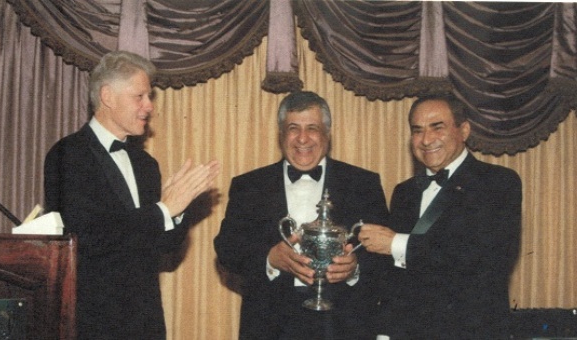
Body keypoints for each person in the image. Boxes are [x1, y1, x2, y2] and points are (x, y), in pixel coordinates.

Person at [44, 50, 219, 339]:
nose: (149, 106)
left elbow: (164, 246)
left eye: (149, 97)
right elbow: (86, 236)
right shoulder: (67, 155)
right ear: (107, 97)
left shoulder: (146, 165)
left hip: (145, 322)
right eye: (140, 97)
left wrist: (178, 209)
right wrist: (163, 210)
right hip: (92, 322)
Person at [214, 91, 389, 339]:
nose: (303, 138)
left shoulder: (363, 184)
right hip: (269, 323)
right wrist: (269, 260)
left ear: (327, 134)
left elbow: (385, 257)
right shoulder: (249, 185)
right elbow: (227, 250)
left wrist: (355, 269)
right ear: (281, 134)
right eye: (293, 128)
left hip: (343, 324)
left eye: (313, 128)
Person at [359, 95, 522, 339]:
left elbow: (480, 257)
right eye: (417, 130)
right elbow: (396, 280)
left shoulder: (498, 182)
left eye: (437, 127)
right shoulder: (404, 193)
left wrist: (396, 243)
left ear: (464, 130)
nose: (426, 140)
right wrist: (385, 332)